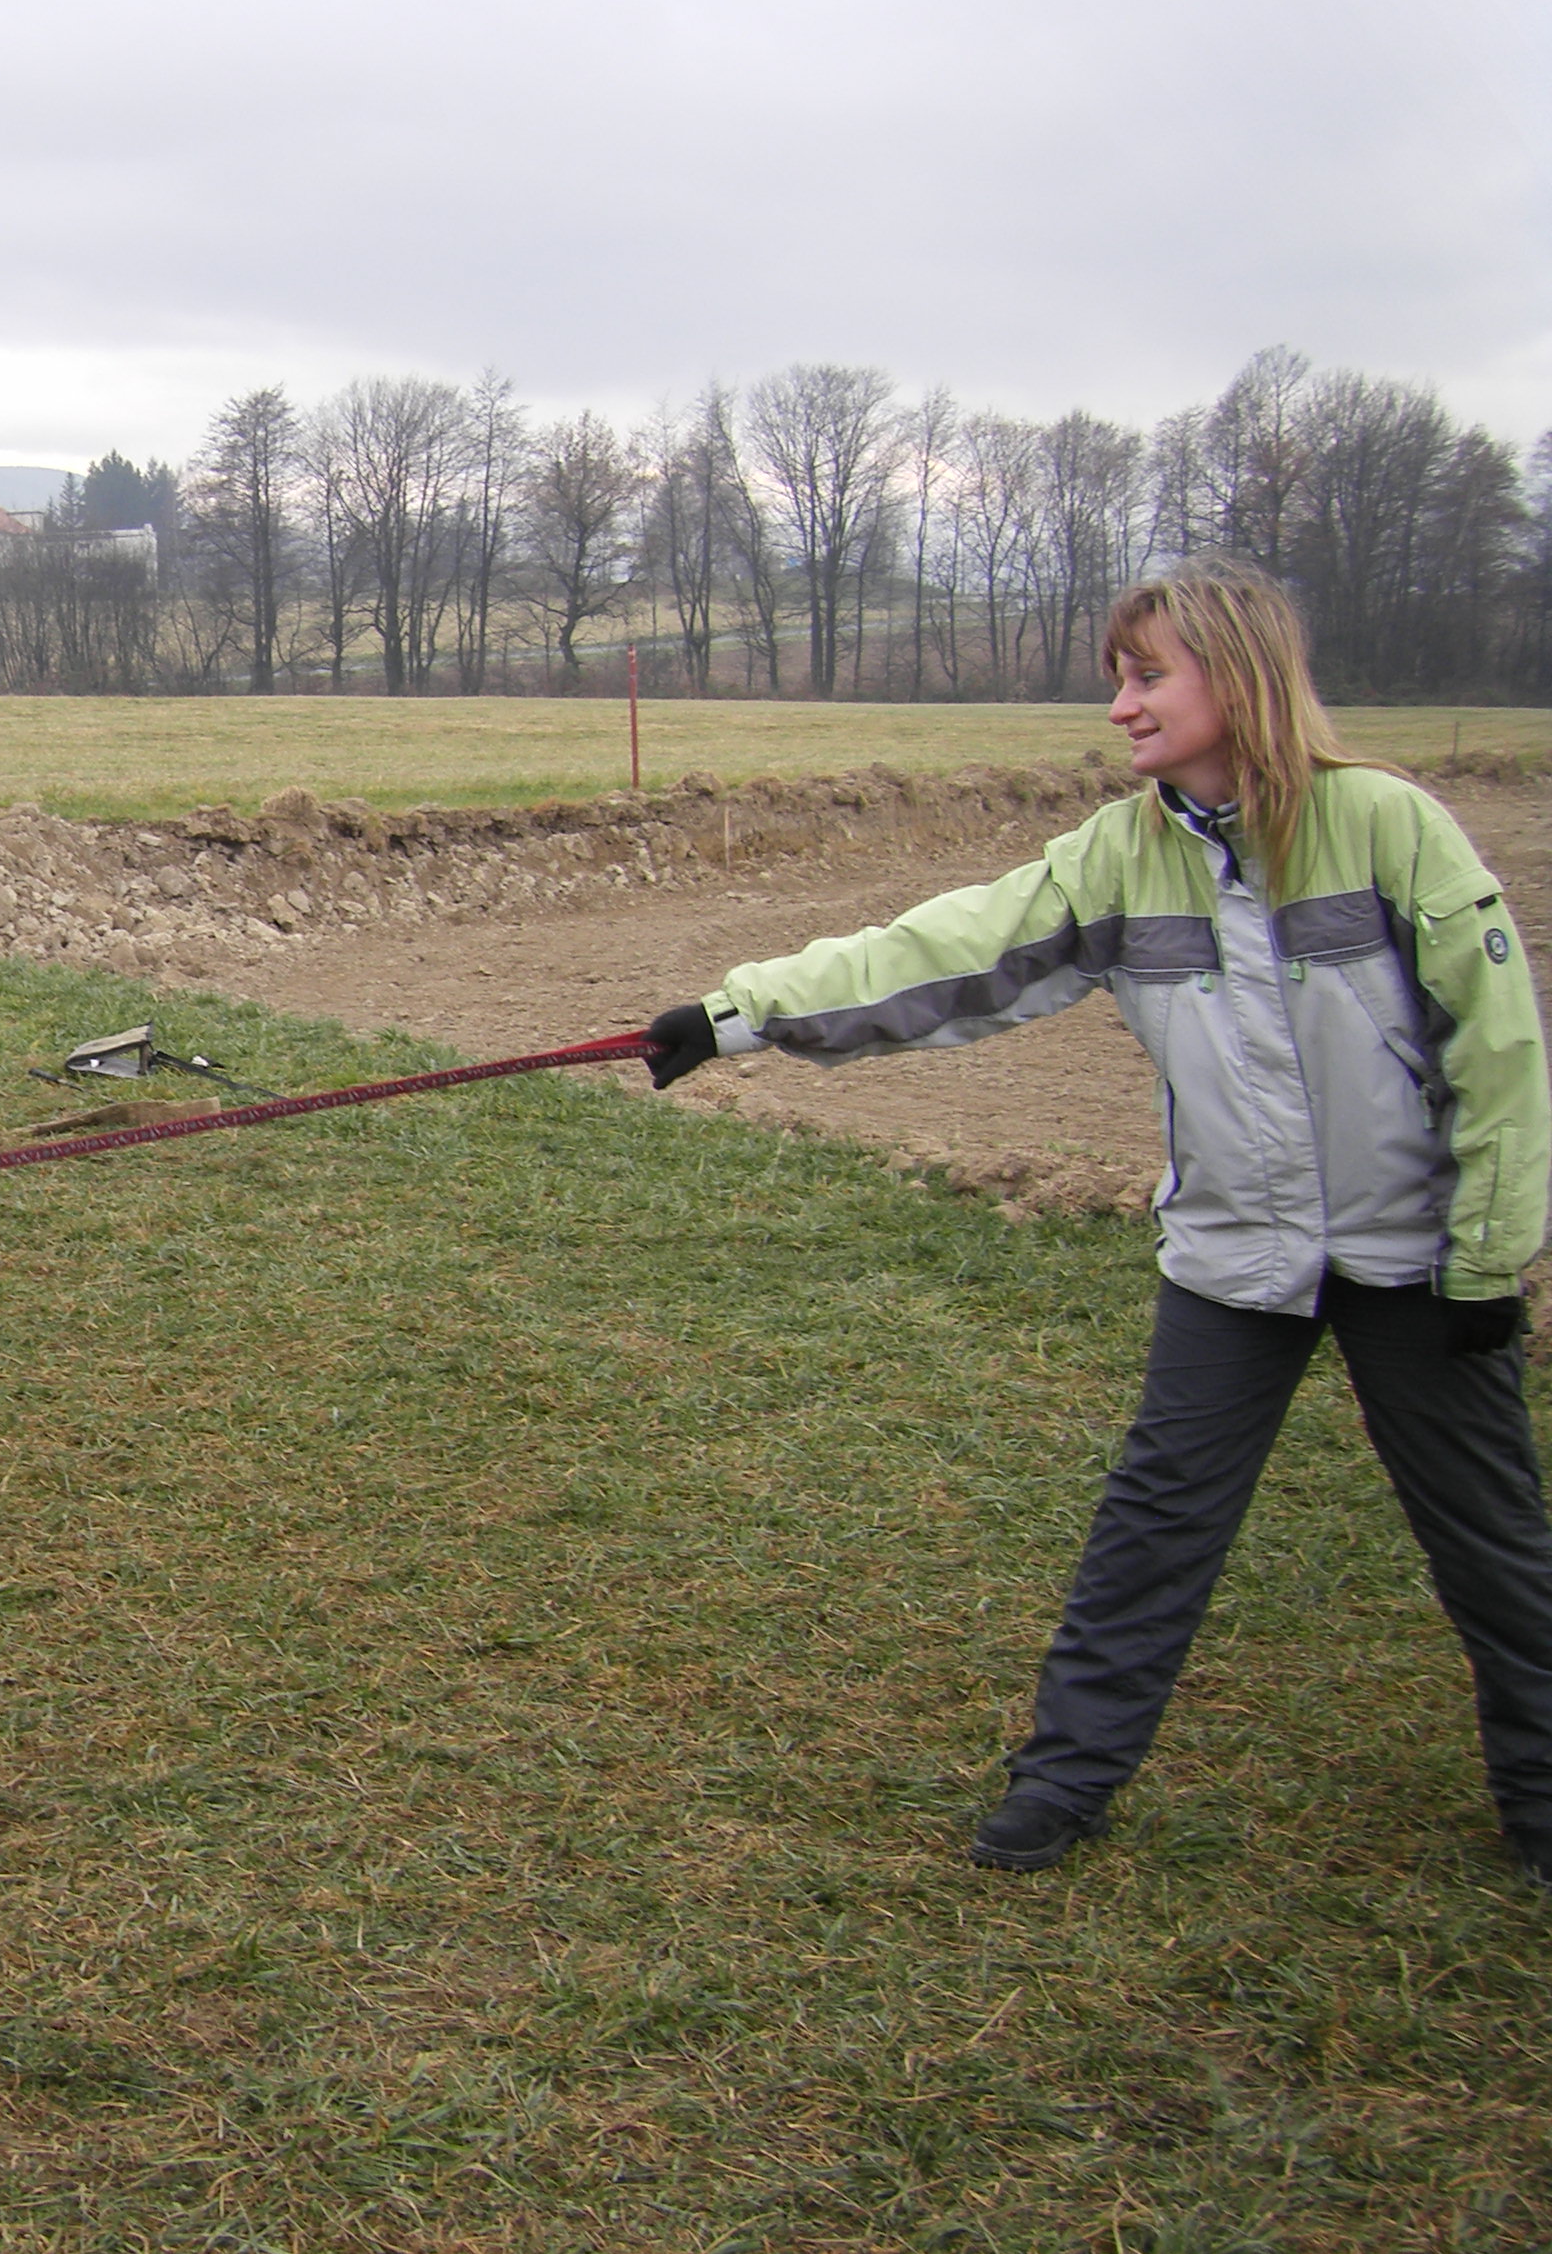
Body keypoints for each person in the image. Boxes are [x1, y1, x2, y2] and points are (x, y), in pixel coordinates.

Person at [644, 556, 1552, 1888]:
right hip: (1235, 1257)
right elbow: (943, 954)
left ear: (1238, 676)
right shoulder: (1119, 858)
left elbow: (1500, 1052)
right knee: (1154, 1522)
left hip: (1418, 1261)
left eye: (1147, 676)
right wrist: (737, 1015)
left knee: (1489, 1535)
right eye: (1116, 679)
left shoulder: (1390, 830)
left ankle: (1541, 1798)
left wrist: (1486, 1256)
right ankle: (1064, 1781)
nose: (1120, 706)